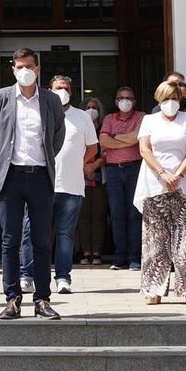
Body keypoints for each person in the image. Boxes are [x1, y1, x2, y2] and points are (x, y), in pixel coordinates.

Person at [0, 47, 66, 320]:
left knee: (42, 240)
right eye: (20, 66)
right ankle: (12, 299)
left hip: (41, 175)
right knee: (10, 241)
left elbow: (58, 135)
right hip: (11, 176)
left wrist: (44, 158)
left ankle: (42, 299)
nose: (25, 71)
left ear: (38, 68)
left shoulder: (51, 100)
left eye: (29, 66)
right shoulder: (1, 97)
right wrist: (7, 156)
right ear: (13, 69)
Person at [21, 74, 95, 295]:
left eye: (65, 87)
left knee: (65, 234)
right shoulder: (38, 112)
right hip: (40, 184)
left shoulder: (82, 117)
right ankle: (27, 275)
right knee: (31, 232)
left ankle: (63, 277)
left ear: (71, 92)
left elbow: (92, 148)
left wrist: (76, 163)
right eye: (57, 87)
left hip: (71, 186)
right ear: (49, 90)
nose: (61, 90)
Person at [136, 79, 186, 304]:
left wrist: (179, 175)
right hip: (156, 183)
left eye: (175, 99)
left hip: (183, 183)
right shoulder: (149, 120)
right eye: (166, 99)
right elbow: (145, 149)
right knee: (156, 239)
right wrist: (163, 174)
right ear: (159, 99)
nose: (171, 103)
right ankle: (153, 288)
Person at [97, 84, 143, 270]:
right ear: (116, 101)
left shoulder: (142, 117)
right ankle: (119, 258)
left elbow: (137, 138)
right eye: (121, 98)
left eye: (129, 98)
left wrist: (115, 137)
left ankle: (134, 257)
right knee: (116, 214)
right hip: (114, 171)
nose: (125, 101)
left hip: (135, 168)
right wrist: (126, 137)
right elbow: (103, 141)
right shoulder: (108, 118)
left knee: (134, 214)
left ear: (135, 101)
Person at [79, 96, 106, 264]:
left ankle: (97, 252)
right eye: (88, 107)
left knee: (98, 215)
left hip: (100, 178)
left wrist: (94, 165)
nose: (91, 110)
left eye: (94, 107)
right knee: (83, 216)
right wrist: (83, 166)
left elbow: (107, 151)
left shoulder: (104, 128)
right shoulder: (78, 127)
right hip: (79, 177)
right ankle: (85, 252)